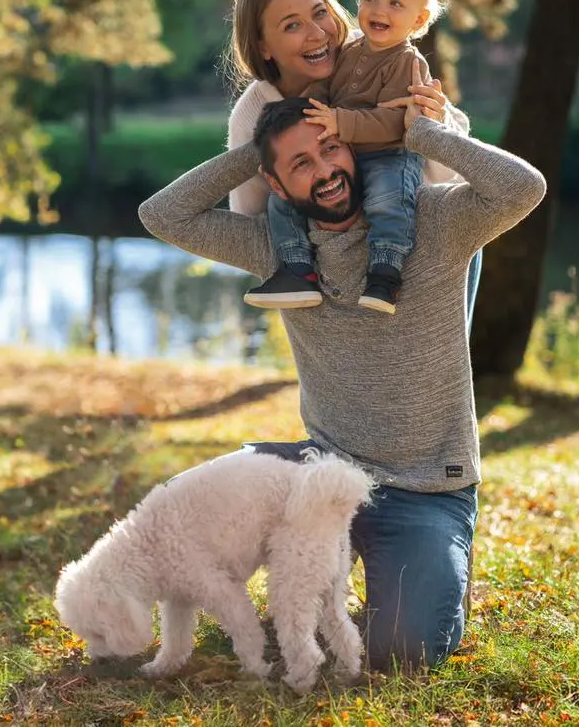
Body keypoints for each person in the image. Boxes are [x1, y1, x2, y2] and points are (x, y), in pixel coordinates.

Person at [138, 90, 546, 672]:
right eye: (301, 163)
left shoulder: (436, 218)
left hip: (427, 488)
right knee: (184, 503)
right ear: (276, 186)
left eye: (332, 148)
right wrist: (255, 150)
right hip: (320, 472)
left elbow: (525, 188)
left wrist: (422, 133)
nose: (326, 170)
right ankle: (336, 565)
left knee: (405, 653)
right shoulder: (280, 251)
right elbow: (162, 214)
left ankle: (441, 561)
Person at [218, 0, 485, 325]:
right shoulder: (257, 113)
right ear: (263, 45)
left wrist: (431, 122)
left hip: (425, 241)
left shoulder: (375, 48)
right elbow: (252, 223)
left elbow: (453, 174)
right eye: (292, 25)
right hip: (337, 270)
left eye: (320, 12)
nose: (317, 33)